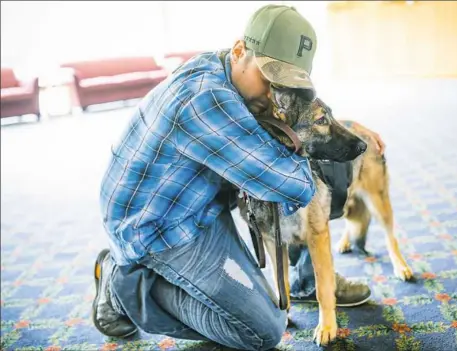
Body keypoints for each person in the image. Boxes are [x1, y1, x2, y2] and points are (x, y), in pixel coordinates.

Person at [92, 4, 385, 350]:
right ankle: (122, 285)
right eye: (270, 78)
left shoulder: (225, 70)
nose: (274, 94)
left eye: (285, 83)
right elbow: (294, 186)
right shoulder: (208, 101)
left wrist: (344, 132)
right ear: (238, 50)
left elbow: (298, 118)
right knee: (262, 330)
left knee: (294, 195)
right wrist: (325, 145)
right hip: (157, 229)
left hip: (196, 204)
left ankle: (306, 280)